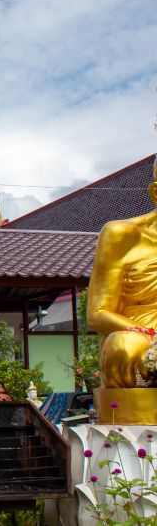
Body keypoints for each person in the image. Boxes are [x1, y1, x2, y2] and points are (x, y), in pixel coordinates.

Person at [87, 161, 157, 389]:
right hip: (143, 335)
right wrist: (150, 335)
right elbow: (98, 313)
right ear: (156, 193)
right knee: (124, 345)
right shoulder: (122, 235)